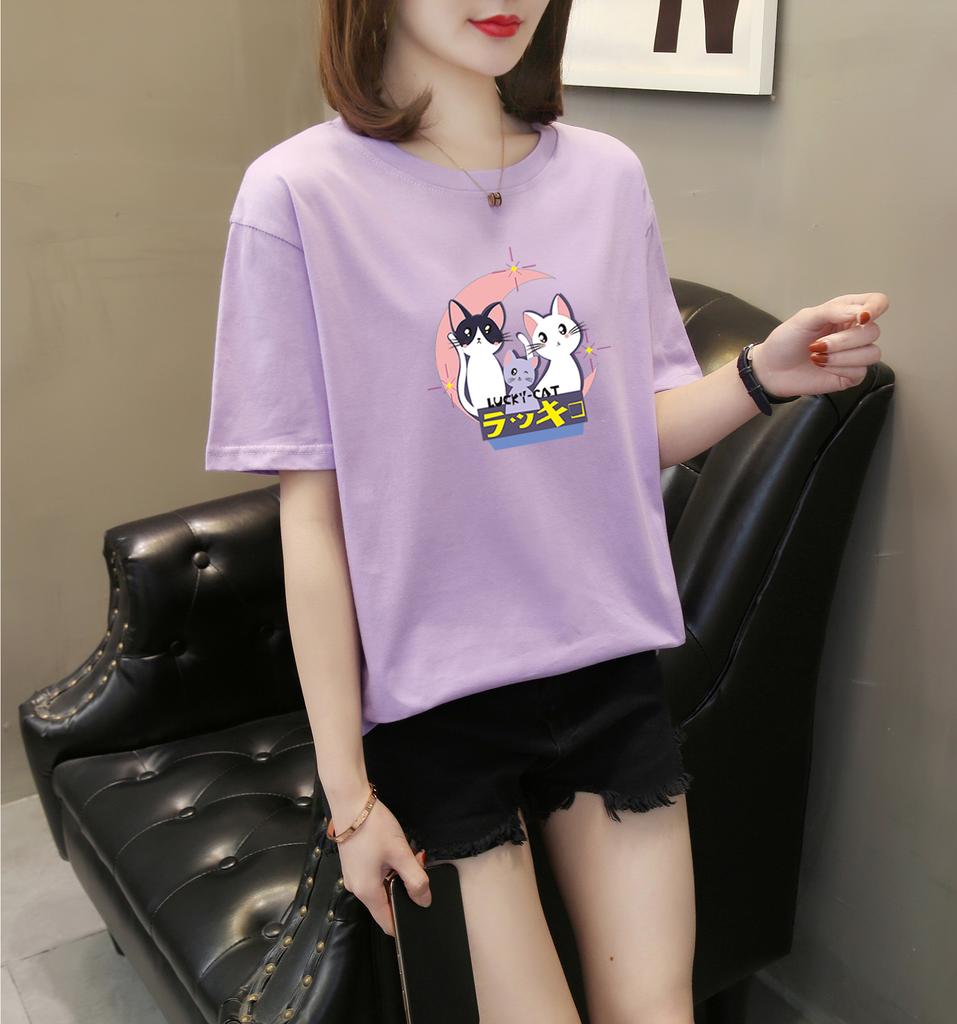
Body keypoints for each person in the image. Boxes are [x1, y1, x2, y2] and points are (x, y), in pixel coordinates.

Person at [204, 1, 889, 1020]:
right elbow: (313, 520)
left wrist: (760, 375)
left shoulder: (605, 177)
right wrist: (349, 800)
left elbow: (628, 429)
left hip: (606, 673)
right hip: (431, 706)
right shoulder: (297, 196)